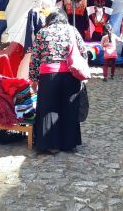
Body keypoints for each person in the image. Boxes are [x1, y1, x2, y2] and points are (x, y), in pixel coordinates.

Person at [29, 8, 86, 153]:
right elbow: (83, 52)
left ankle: (50, 144)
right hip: (70, 75)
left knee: (49, 109)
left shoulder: (42, 32)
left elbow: (35, 57)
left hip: (49, 76)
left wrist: (33, 79)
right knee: (69, 108)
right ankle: (69, 144)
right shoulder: (72, 30)